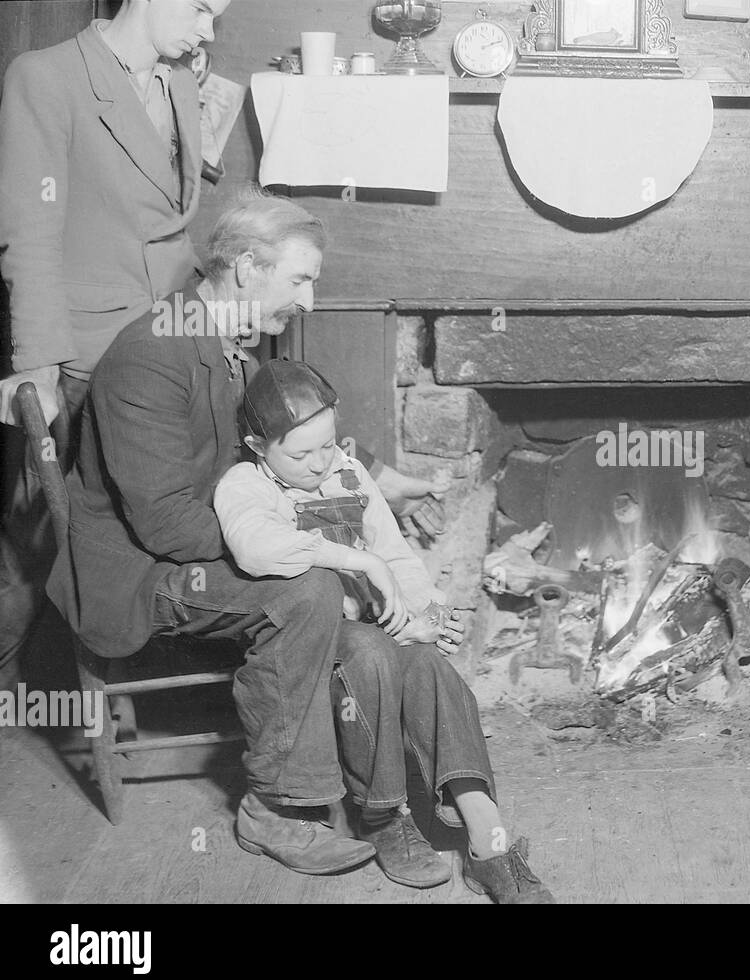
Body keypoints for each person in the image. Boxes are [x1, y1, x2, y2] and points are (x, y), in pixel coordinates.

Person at [0, 0, 443, 694]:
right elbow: (29, 229)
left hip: (177, 326)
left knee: (222, 462)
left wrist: (361, 475)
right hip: (86, 350)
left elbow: (256, 425)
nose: (210, 30)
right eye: (203, 8)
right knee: (35, 562)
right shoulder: (44, 77)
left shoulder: (177, 80)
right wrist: (35, 368)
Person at [46, 193, 378, 875]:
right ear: (248, 268)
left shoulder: (228, 348)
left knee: (329, 567)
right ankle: (275, 809)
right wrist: (295, 535)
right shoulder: (151, 355)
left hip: (187, 539)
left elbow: (268, 459)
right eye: (300, 279)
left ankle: (337, 752)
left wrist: (363, 487)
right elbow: (166, 522)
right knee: (304, 591)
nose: (309, 302)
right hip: (137, 570)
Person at [213, 359, 554, 903]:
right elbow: (255, 548)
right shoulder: (244, 486)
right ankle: (381, 815)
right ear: (257, 444)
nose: (320, 463)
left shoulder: (346, 471)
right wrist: (358, 562)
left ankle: (487, 838)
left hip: (371, 620)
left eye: (327, 445)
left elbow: (395, 553)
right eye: (300, 454)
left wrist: (431, 612)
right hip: (310, 643)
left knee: (428, 666)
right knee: (371, 651)